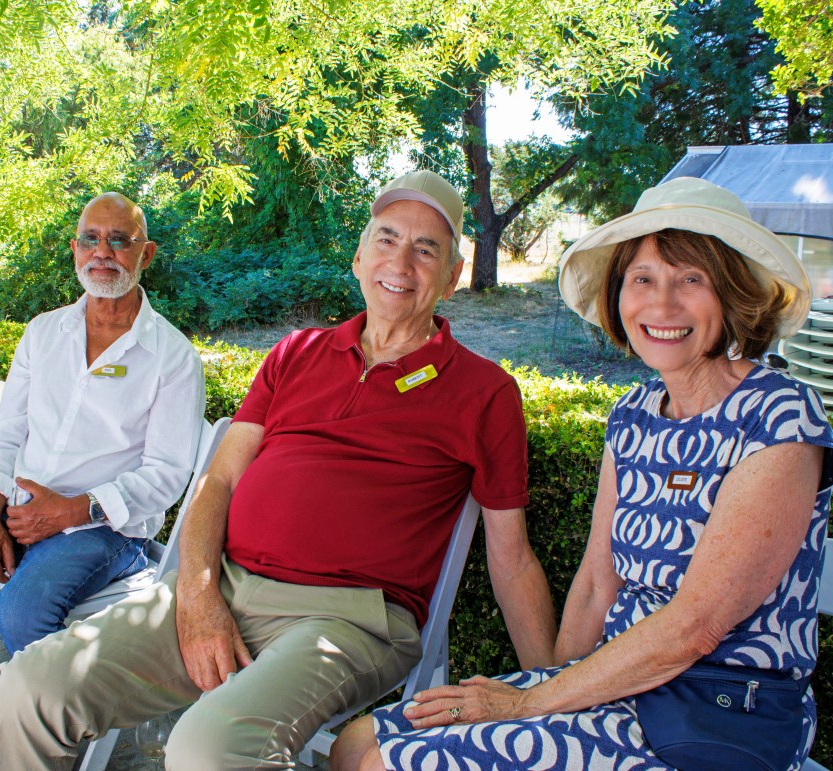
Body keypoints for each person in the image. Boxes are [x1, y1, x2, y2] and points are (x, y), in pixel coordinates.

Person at [0, 169, 557, 769]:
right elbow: (216, 482)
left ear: (454, 276)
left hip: (347, 620)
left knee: (208, 747)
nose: (400, 262)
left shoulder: (485, 393)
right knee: (30, 687)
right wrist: (197, 594)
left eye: (425, 248)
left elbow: (510, 557)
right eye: (386, 239)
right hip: (220, 583)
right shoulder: (296, 354)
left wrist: (553, 695)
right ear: (358, 258)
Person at [331, 177, 833, 771]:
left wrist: (528, 704)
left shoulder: (779, 412)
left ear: (733, 295)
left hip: (716, 712)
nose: (663, 304)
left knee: (384, 763)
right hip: (618, 689)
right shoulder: (635, 414)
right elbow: (598, 583)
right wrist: (544, 690)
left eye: (691, 280)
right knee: (357, 740)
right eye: (643, 279)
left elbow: (696, 627)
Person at [0, 192, 206, 771]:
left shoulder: (172, 357)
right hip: (16, 507)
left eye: (120, 240)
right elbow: (7, 435)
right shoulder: (44, 333)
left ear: (144, 253)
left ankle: (41, 744)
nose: (105, 252)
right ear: (74, 250)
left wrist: (76, 511)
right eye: (92, 239)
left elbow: (168, 475)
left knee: (21, 612)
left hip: (105, 531)